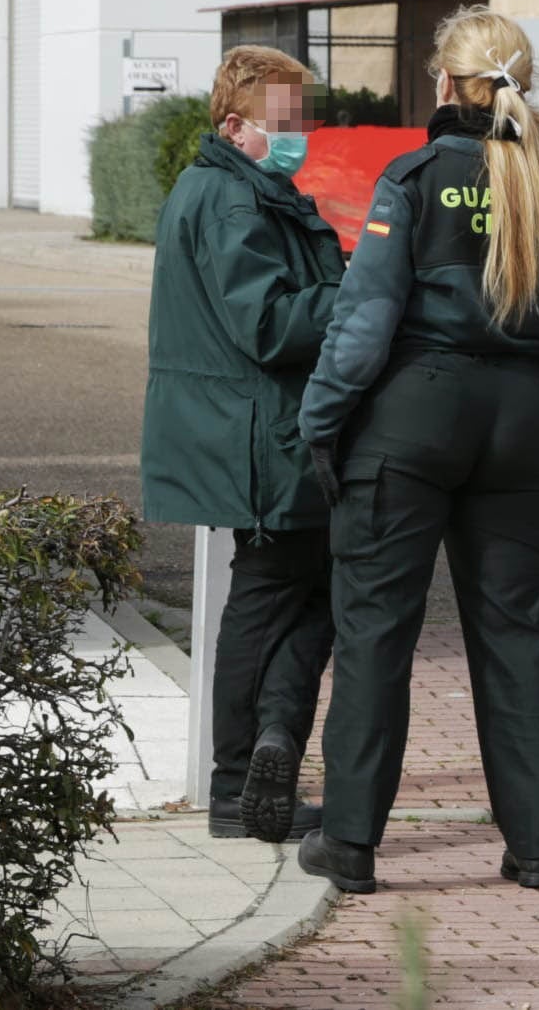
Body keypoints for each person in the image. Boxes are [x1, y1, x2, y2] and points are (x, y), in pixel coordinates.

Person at [294, 6, 539, 894]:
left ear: (443, 82)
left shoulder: (411, 180)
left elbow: (364, 323)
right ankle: (535, 848)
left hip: (412, 421)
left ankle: (353, 845)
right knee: (519, 637)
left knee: (376, 634)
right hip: (521, 424)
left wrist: (320, 421)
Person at [140, 45, 343, 844]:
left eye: (303, 119)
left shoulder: (248, 192)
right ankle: (242, 777)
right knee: (272, 596)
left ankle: (267, 755)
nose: (299, 135)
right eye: (283, 122)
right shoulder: (230, 201)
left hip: (255, 432)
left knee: (301, 595)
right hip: (259, 436)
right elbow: (267, 322)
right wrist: (363, 294)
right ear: (234, 125)